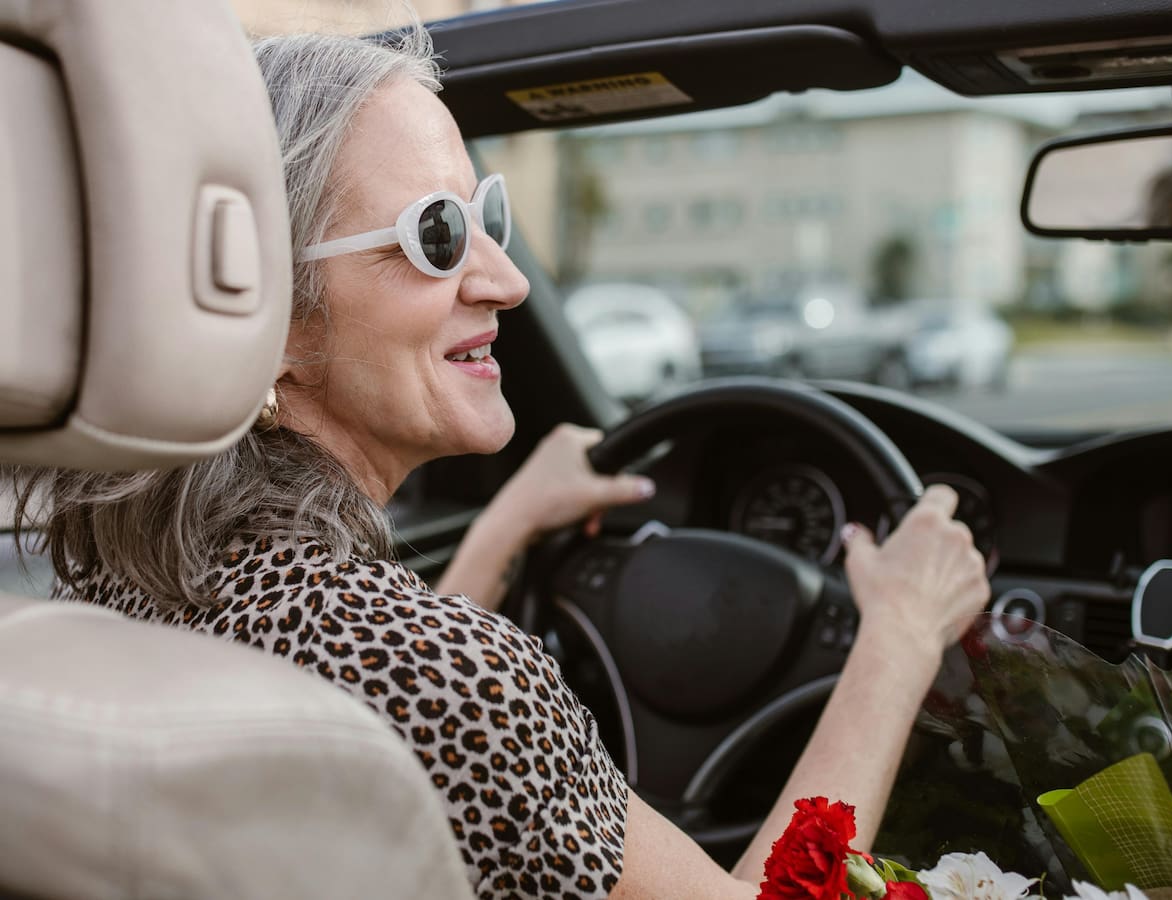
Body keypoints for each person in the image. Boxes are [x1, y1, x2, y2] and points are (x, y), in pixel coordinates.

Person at [10, 26, 989, 900]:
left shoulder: (105, 598)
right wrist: (900, 635)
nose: (508, 278)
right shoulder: (464, 684)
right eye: (435, 236)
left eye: (486, 215)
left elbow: (381, 686)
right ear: (271, 322)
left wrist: (505, 529)